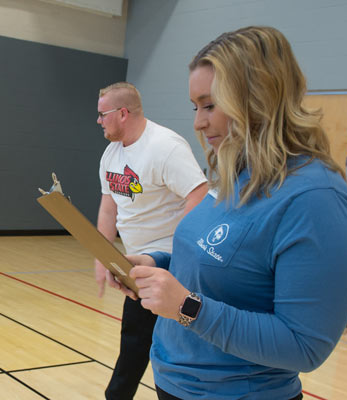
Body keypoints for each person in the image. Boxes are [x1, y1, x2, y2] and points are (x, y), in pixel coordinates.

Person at [119, 26, 347, 399]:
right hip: (175, 383)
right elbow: (222, 266)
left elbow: (304, 346)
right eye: (195, 107)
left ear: (259, 97)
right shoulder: (236, 174)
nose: (199, 123)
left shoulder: (317, 200)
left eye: (210, 105)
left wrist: (187, 307)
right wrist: (159, 264)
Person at [94, 82, 208, 399]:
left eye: (103, 114)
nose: (99, 121)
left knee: (170, 349)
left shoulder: (165, 146)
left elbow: (199, 194)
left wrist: (181, 254)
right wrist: (101, 256)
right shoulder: (111, 153)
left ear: (123, 113)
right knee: (134, 340)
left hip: (171, 268)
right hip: (139, 265)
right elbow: (108, 206)